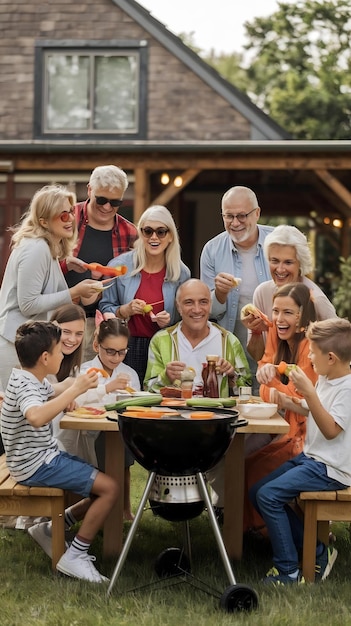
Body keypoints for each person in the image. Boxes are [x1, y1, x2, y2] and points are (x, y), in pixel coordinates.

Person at [0, 320, 119, 583]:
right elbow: (35, 416)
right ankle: (75, 555)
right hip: (36, 464)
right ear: (45, 357)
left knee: (104, 484)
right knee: (109, 488)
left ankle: (53, 527)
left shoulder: (27, 376)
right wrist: (75, 389)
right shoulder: (28, 386)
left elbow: (55, 390)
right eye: (58, 351)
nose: (62, 354)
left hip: (36, 459)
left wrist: (78, 385)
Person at [250, 317, 351, 585]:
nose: (310, 359)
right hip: (312, 459)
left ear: (330, 357)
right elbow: (310, 409)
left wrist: (310, 393)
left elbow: (331, 429)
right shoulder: (327, 378)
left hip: (332, 469)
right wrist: (287, 400)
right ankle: (318, 552)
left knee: (269, 496)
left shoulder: (348, 388)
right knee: (256, 491)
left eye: (313, 353)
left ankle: (288, 572)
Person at [0, 184, 102, 395]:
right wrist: (75, 291)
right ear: (44, 221)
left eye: (71, 213)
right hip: (15, 347)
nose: (71, 219)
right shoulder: (37, 248)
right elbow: (28, 304)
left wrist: (65, 268)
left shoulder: (47, 247)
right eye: (62, 215)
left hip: (28, 346)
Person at [243, 283, 318, 535]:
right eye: (276, 311)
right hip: (292, 431)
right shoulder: (276, 332)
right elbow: (269, 392)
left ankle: (278, 534)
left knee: (258, 470)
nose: (278, 319)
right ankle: (263, 532)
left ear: (303, 315)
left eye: (288, 312)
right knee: (249, 465)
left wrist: (273, 379)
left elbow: (300, 397)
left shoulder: (311, 346)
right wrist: (271, 378)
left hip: (310, 439)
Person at [99, 205, 191, 385]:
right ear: (140, 234)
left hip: (162, 347)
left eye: (161, 231)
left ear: (171, 236)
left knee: (159, 399)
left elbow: (187, 317)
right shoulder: (119, 266)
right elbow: (104, 307)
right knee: (126, 397)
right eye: (148, 231)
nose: (154, 237)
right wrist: (124, 310)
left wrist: (170, 320)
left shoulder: (181, 273)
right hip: (125, 346)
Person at [200, 186, 273, 392]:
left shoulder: (277, 242)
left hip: (275, 353)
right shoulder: (212, 250)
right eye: (228, 216)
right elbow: (206, 312)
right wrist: (220, 294)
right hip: (230, 356)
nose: (235, 223)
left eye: (242, 216)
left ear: (257, 213)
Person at [61, 164, 138, 361]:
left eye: (115, 202)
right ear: (89, 190)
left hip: (101, 325)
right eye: (101, 200)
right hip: (59, 318)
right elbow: (43, 266)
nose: (106, 207)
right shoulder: (67, 219)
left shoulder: (129, 233)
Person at [241, 224, 337, 362]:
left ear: (300, 264)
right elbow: (258, 356)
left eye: (288, 262)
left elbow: (339, 351)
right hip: (272, 378)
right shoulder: (262, 293)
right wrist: (256, 332)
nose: (280, 269)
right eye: (274, 261)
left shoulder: (316, 299)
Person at [144, 278, 251, 395]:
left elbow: (247, 389)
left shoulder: (229, 340)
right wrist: (166, 377)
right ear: (178, 306)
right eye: (188, 302)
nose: (197, 309)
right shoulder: (161, 340)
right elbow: (148, 390)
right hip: (174, 412)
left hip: (218, 412)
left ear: (210, 305)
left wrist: (232, 375)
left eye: (203, 302)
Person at [80, 318, 140, 520]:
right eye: (110, 351)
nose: (116, 358)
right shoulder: (85, 371)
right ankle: (97, 509)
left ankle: (124, 509)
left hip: (120, 430)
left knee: (123, 459)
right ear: (97, 346)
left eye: (122, 352)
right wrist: (108, 387)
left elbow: (136, 404)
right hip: (90, 432)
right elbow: (80, 401)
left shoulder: (129, 373)